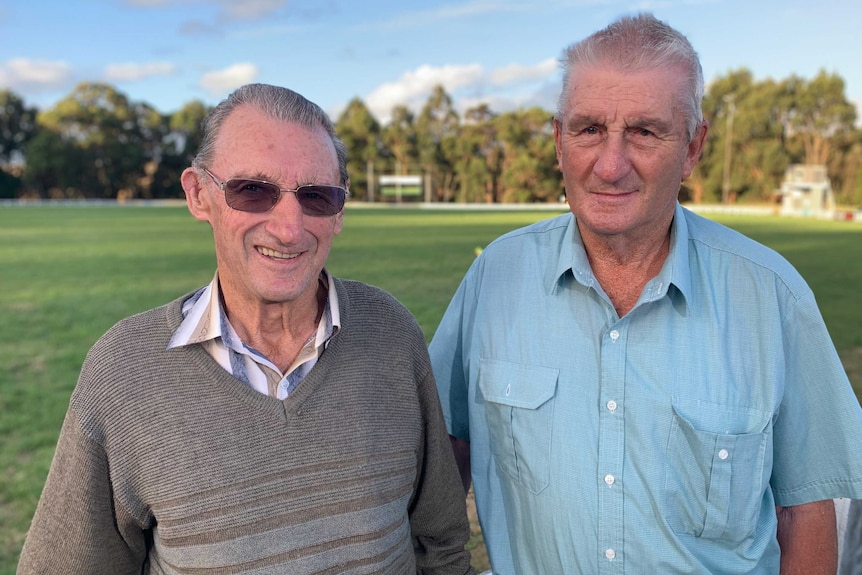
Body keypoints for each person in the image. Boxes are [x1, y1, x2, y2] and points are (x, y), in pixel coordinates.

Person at [429, 13, 862, 575]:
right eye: (588, 129)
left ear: (693, 147)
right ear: (559, 142)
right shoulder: (494, 279)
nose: (610, 165)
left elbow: (806, 508)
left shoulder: (772, 298)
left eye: (644, 131)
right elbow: (447, 454)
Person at [18, 83, 475, 575]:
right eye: (253, 190)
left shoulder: (391, 333)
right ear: (198, 194)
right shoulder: (124, 372)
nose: (288, 228)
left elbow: (441, 546)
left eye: (316, 196)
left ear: (339, 210)